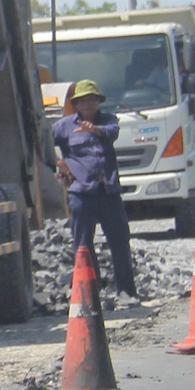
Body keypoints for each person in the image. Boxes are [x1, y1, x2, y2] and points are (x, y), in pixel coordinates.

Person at [49, 76, 138, 304]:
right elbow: (43, 145)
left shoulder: (108, 120)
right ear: (76, 104)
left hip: (108, 192)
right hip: (81, 193)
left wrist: (95, 130)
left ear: (98, 101)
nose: (87, 104)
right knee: (83, 246)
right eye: (82, 101)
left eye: (91, 100)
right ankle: (90, 293)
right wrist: (57, 163)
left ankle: (126, 291)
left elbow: (111, 132)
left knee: (119, 242)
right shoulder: (64, 126)